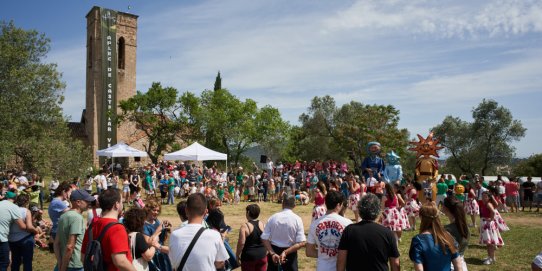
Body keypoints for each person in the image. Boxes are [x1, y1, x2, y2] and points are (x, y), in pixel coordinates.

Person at [337, 193, 400, 271]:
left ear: (360, 210)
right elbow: (395, 264)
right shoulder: (387, 233)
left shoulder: (349, 231)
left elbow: (341, 261)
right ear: (378, 211)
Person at [169, 193, 229, 270]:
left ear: (186, 210)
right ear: (205, 212)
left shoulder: (175, 235)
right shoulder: (215, 235)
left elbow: (174, 263)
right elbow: (220, 263)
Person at [81, 189, 135, 271]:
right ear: (116, 204)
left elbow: (83, 257)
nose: (122, 204)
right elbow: (120, 261)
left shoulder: (92, 226)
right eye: (121, 202)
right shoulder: (117, 228)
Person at [307, 190, 352, 271]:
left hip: (322, 267)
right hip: (341, 267)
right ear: (339, 205)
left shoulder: (314, 224)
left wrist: (324, 253)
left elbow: (309, 251)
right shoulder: (348, 224)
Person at [409, 204, 462, 271]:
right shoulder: (448, 236)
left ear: (421, 217)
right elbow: (458, 266)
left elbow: (419, 269)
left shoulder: (418, 240)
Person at [261, 195, 306, 271]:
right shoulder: (297, 219)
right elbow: (302, 242)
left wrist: (272, 253)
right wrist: (285, 252)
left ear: (282, 204)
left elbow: (264, 238)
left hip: (274, 253)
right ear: (294, 205)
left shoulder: (273, 218)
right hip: (290, 253)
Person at [54, 190, 95, 271]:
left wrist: (60, 262)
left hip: (63, 262)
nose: (89, 204)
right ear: (78, 202)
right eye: (87, 201)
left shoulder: (63, 216)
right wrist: (63, 268)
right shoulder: (77, 218)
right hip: (74, 265)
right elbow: (70, 246)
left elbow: (56, 243)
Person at [8, 193, 37, 271]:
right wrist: (36, 231)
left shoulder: (12, 210)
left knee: (15, 261)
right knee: (27, 261)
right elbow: (29, 226)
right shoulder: (26, 211)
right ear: (26, 202)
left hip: (12, 239)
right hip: (25, 239)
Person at [236, 204, 267, 271]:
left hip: (249, 257)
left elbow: (241, 243)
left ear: (248, 213)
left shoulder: (245, 226)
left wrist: (237, 255)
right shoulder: (263, 224)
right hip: (262, 255)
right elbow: (267, 240)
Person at [143, 200, 172, 271]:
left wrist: (166, 229)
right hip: (153, 256)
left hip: (162, 253)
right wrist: (158, 229)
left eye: (158, 211)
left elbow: (162, 239)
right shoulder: (144, 225)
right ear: (148, 210)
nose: (156, 212)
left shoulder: (156, 221)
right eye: (154, 210)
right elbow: (148, 242)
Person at [442, 196, 470, 270]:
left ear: (445, 208)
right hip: (462, 264)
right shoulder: (465, 228)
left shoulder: (447, 230)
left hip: (450, 265)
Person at [478, 191, 504, 265]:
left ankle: (491, 258)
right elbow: (496, 205)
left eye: (485, 196)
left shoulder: (488, 204)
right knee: (488, 243)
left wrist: (491, 219)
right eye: (482, 196)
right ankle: (490, 257)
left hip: (488, 224)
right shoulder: (486, 203)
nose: (483, 198)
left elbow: (493, 211)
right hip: (486, 223)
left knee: (490, 244)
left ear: (489, 198)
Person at [49, 182, 72, 248]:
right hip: (59, 231)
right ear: (64, 191)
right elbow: (73, 213)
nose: (70, 194)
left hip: (57, 229)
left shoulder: (56, 201)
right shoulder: (58, 202)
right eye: (70, 192)